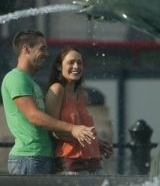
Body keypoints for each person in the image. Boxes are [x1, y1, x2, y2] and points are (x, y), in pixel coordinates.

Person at [1, 30, 96, 175]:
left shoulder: (31, 82)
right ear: (27, 49)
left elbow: (51, 125)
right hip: (28, 157)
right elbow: (34, 116)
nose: (46, 54)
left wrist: (89, 139)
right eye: (42, 48)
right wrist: (72, 128)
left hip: (42, 157)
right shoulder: (16, 78)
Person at [45, 46, 113, 174]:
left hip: (92, 160)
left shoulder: (82, 94)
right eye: (71, 62)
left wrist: (96, 142)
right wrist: (78, 135)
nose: (76, 66)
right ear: (59, 66)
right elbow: (51, 129)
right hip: (70, 160)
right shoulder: (57, 90)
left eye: (79, 63)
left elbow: (81, 131)